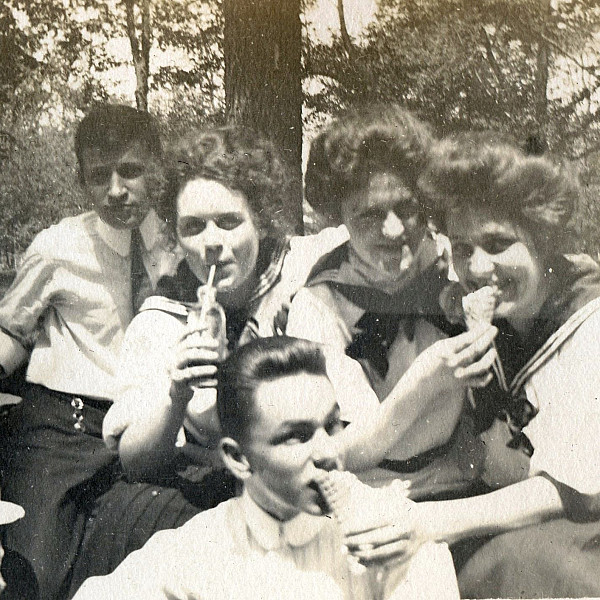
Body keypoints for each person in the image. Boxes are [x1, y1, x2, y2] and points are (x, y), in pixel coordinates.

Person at [66, 125, 348, 592]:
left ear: (260, 218)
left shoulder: (302, 285)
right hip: (201, 495)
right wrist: (177, 393)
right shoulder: (163, 319)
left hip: (298, 489)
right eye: (193, 227)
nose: (211, 242)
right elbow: (136, 463)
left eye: (229, 221)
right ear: (176, 238)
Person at [344, 133, 600, 598]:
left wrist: (428, 521)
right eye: (463, 249)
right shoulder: (488, 312)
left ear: (545, 238)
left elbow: (574, 490)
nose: (479, 267)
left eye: (499, 243)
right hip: (507, 513)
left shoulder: (589, 320)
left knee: (514, 565)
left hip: (577, 531)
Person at [72, 336, 460, 600]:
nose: (328, 451)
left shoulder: (393, 532)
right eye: (296, 436)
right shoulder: (200, 550)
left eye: (332, 424)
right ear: (238, 459)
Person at [0, 104, 179, 600]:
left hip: (145, 428)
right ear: (82, 180)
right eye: (99, 176)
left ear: (157, 171)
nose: (116, 190)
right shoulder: (58, 246)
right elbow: (12, 331)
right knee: (33, 576)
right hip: (59, 429)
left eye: (131, 171)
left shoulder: (180, 242)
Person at [286, 104, 498, 498]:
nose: (394, 230)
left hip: (464, 475)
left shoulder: (461, 265)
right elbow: (344, 451)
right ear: (339, 216)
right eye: (369, 215)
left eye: (407, 208)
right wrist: (429, 376)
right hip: (369, 492)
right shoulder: (319, 306)